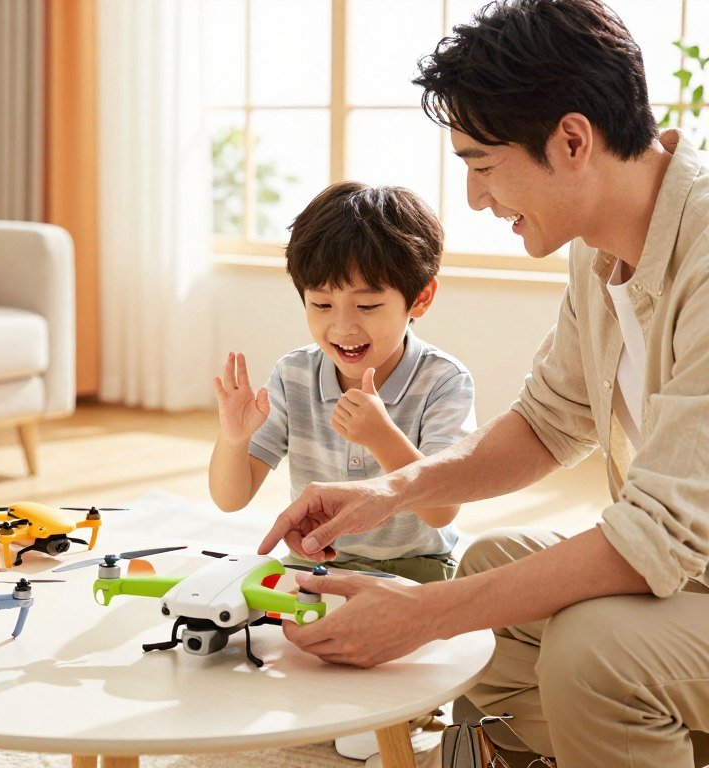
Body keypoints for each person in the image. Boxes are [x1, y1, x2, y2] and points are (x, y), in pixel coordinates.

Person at [256, 1, 709, 766]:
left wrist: (423, 614)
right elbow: (545, 422)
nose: (472, 197)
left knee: (594, 654)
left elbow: (656, 535)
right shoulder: (601, 253)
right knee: (491, 564)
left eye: (481, 163)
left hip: (686, 560)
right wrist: (390, 492)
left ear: (572, 141)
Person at [209, 181, 475, 584]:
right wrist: (233, 438)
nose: (343, 326)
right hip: (314, 563)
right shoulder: (293, 375)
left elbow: (441, 510)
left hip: (414, 570)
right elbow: (230, 500)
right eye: (321, 304)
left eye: (367, 305)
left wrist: (381, 435)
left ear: (420, 298)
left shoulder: (443, 381)